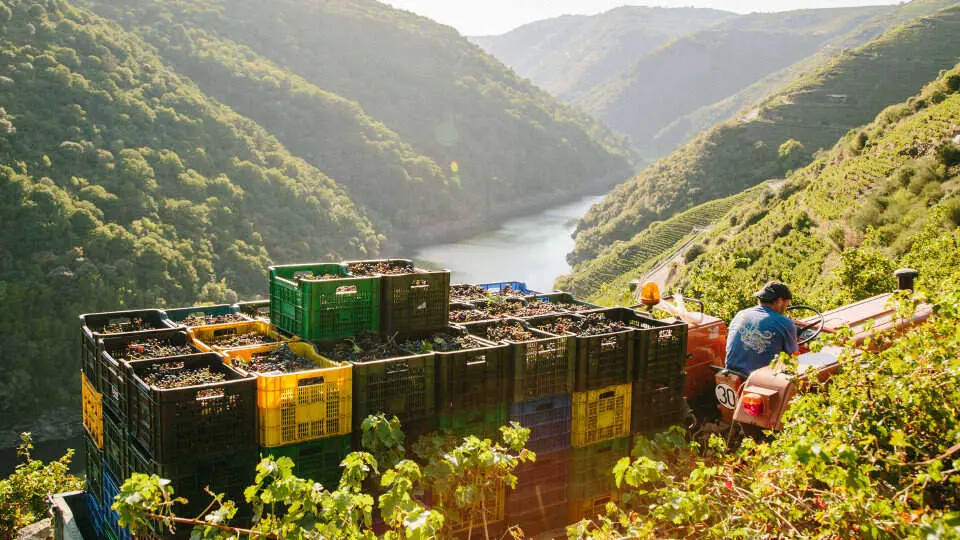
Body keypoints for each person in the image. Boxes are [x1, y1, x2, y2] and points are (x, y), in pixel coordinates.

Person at [724, 281, 798, 376]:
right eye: (786, 304)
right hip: (759, 380)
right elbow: (793, 358)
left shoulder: (741, 314)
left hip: (730, 373)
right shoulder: (785, 323)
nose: (785, 308)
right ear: (779, 301)